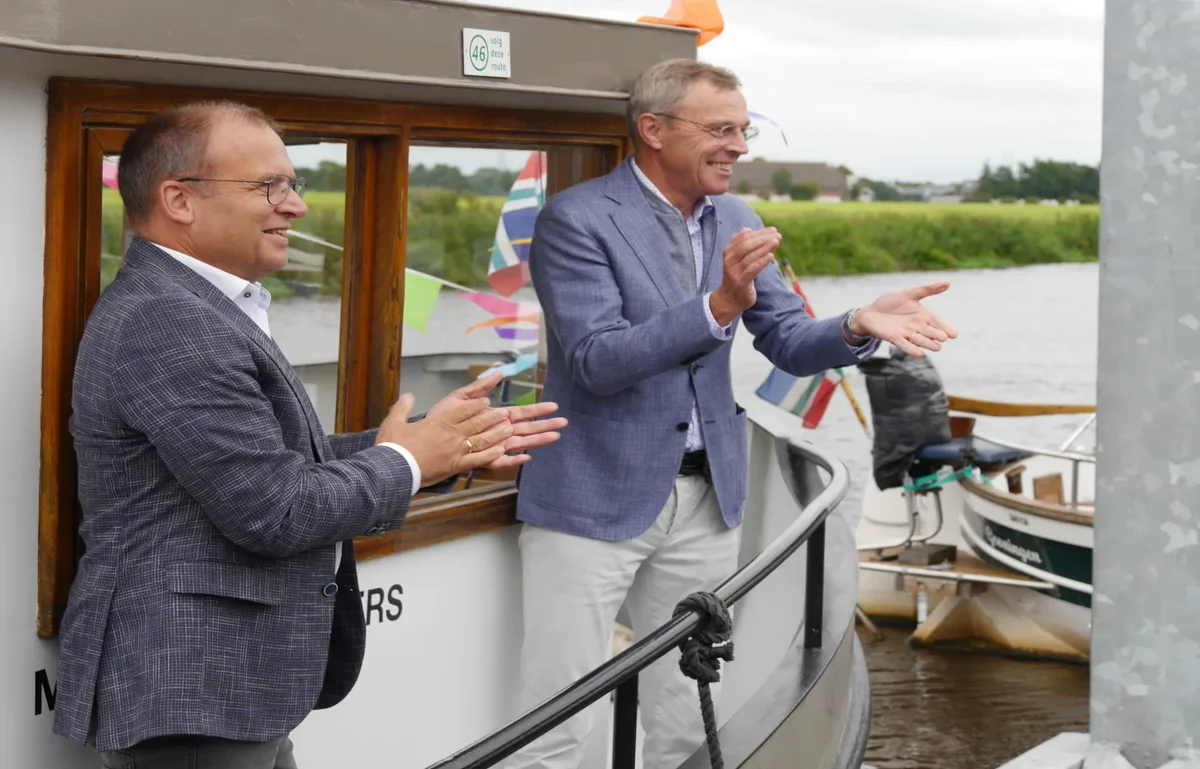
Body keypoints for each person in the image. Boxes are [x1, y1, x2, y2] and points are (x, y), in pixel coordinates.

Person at [52, 101, 566, 768]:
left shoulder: (196, 306)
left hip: (226, 689)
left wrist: (445, 451)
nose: (295, 206)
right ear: (179, 200)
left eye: (291, 185)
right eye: (269, 186)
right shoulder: (168, 319)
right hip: (192, 688)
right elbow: (276, 508)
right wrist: (409, 460)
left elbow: (275, 465)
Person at [504, 58, 957, 769]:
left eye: (745, 131)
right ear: (654, 129)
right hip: (590, 495)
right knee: (557, 716)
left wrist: (858, 322)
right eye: (721, 130)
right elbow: (596, 359)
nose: (739, 147)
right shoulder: (576, 218)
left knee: (688, 712)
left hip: (710, 497)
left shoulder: (738, 218)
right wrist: (716, 307)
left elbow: (788, 340)